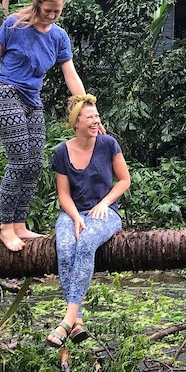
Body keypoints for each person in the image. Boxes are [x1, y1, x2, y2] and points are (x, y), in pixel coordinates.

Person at [0, 0, 88, 251]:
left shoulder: (59, 37)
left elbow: (70, 74)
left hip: (32, 100)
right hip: (6, 93)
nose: (52, 16)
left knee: (34, 164)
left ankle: (20, 224)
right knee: (19, 161)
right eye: (48, 10)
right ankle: (6, 228)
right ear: (38, 4)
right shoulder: (15, 25)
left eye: (58, 11)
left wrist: (86, 105)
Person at [46, 94, 130, 348]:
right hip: (73, 211)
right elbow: (63, 195)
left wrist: (103, 203)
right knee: (65, 247)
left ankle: (68, 319)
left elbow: (124, 180)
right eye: (90, 117)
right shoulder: (62, 152)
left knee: (85, 244)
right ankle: (78, 321)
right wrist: (74, 218)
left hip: (106, 213)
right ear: (76, 122)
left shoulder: (108, 144)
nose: (96, 121)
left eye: (97, 117)